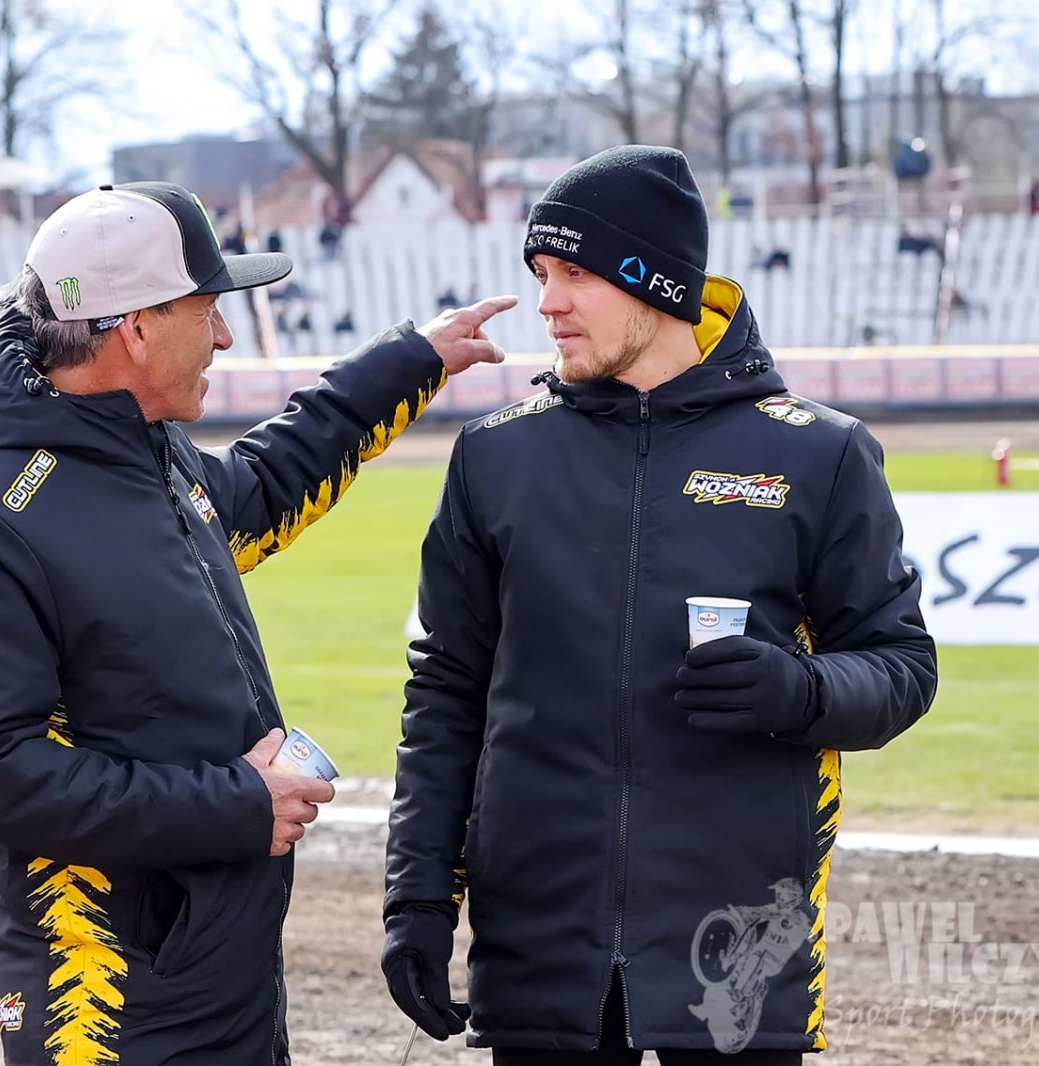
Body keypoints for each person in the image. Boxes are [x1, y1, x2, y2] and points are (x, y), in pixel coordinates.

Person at [0, 181, 516, 1066]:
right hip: (106, 1003)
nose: (225, 336)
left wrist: (410, 360)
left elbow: (264, 487)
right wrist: (236, 806)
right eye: (207, 311)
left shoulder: (145, 454)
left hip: (215, 962)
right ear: (135, 328)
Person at [383, 146, 937, 1064]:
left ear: (655, 283)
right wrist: (417, 896)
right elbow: (446, 690)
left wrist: (799, 691)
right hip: (540, 949)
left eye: (575, 275)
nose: (548, 302)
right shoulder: (494, 455)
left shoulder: (820, 453)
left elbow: (903, 668)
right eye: (541, 274)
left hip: (739, 949)